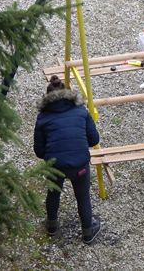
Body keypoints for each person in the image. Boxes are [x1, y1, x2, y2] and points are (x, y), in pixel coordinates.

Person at [34, 75, 102, 244]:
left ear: (47, 98)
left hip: (55, 165)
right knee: (83, 197)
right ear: (68, 94)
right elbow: (94, 140)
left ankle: (51, 226)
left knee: (53, 192)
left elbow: (39, 151)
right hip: (80, 165)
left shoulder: (42, 118)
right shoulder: (81, 112)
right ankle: (88, 233)